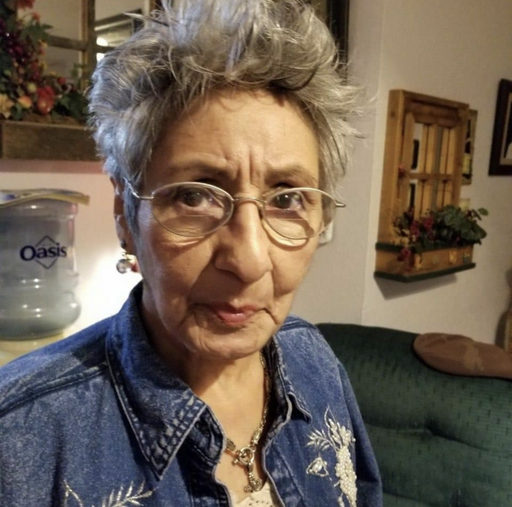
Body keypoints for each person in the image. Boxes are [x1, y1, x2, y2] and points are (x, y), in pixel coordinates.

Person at [0, 1, 382, 506]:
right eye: (195, 196)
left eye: (288, 199)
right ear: (125, 216)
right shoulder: (20, 438)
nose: (249, 260)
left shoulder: (313, 359)